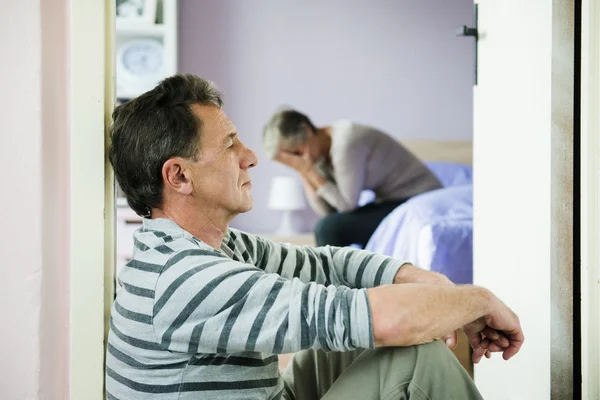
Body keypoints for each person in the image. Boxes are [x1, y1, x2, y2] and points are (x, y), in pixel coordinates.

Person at [106, 74, 524, 400]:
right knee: (413, 354)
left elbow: (325, 264)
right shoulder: (186, 278)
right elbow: (383, 318)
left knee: (364, 336)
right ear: (179, 176)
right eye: (231, 145)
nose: (249, 157)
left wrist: (429, 283)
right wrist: (477, 299)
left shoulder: (214, 245)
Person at [262, 110, 442, 247]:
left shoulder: (346, 142)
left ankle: (333, 291)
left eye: (298, 153)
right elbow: (327, 211)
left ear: (307, 131)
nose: (301, 160)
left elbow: (347, 205)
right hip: (391, 201)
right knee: (329, 224)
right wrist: (303, 172)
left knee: (329, 228)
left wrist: (309, 171)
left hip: (419, 198)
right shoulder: (317, 156)